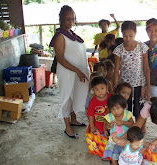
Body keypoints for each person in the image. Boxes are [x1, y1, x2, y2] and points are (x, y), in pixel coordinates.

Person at [49, 5, 88, 139]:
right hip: (67, 72)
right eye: (67, 19)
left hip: (76, 72)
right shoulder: (60, 36)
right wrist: (78, 70)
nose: (70, 22)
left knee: (74, 94)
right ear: (61, 20)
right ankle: (67, 127)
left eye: (72, 19)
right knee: (66, 97)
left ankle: (74, 119)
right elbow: (60, 58)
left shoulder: (71, 34)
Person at [113, 21, 150, 119]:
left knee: (139, 109)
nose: (128, 38)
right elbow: (116, 70)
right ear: (122, 34)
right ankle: (127, 128)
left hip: (139, 84)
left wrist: (148, 87)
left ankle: (139, 129)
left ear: (135, 33)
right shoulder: (118, 50)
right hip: (124, 85)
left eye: (131, 35)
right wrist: (114, 87)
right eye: (125, 36)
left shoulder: (142, 47)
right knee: (125, 109)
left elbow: (146, 68)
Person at [103, 94, 134, 165]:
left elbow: (132, 124)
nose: (116, 111)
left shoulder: (127, 114)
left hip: (126, 139)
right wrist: (109, 126)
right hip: (114, 140)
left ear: (124, 107)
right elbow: (106, 126)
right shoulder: (110, 116)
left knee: (125, 154)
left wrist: (123, 122)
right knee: (114, 156)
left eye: (118, 108)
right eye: (113, 109)